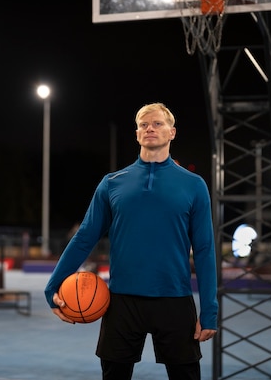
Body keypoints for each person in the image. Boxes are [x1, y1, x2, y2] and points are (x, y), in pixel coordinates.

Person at [44, 102, 218, 380]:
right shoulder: (112, 183)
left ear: (172, 132)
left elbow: (205, 249)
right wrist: (52, 285)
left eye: (158, 123)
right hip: (121, 301)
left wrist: (210, 309)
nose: (150, 128)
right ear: (137, 134)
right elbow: (84, 237)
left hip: (174, 298)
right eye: (144, 124)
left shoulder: (194, 184)